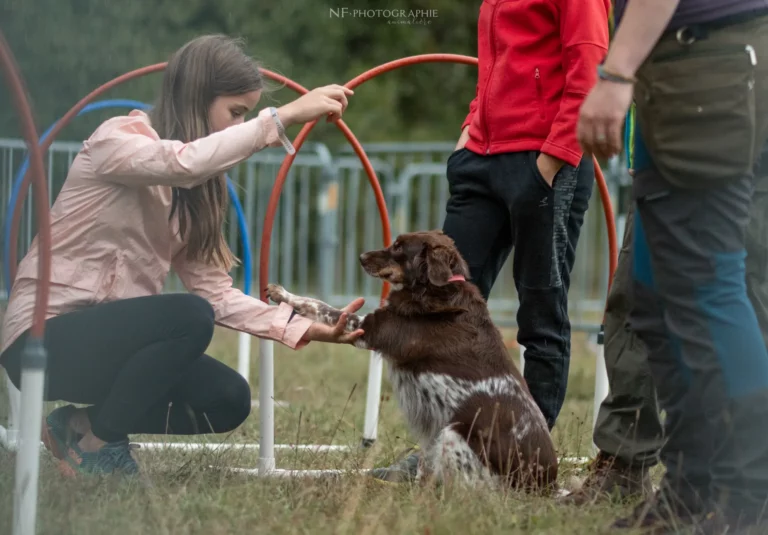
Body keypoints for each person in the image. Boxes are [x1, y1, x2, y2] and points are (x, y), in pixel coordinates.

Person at [0, 34, 365, 478]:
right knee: (189, 315)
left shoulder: (194, 195)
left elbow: (218, 295)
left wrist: (310, 327)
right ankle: (100, 448)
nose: (238, 125)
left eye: (245, 116)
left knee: (228, 398)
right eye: (235, 112)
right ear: (197, 97)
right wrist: (281, 118)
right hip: (42, 339)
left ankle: (81, 426)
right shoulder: (116, 138)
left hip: (112, 352)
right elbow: (184, 163)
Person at [372, 0, 611, 483]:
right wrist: (471, 130)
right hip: (481, 159)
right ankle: (446, 448)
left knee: (541, 312)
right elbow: (496, 66)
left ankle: (522, 461)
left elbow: (588, 69)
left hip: (547, 160)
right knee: (438, 298)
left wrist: (550, 161)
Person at [578, 0, 768, 532]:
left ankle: (747, 501)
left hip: (708, 62)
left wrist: (615, 73)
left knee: (709, 289)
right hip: (686, 66)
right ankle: (692, 488)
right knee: (656, 297)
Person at [561, 127, 768, 508]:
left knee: (752, 301)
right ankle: (623, 466)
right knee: (638, 296)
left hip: (756, 147)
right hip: (672, 140)